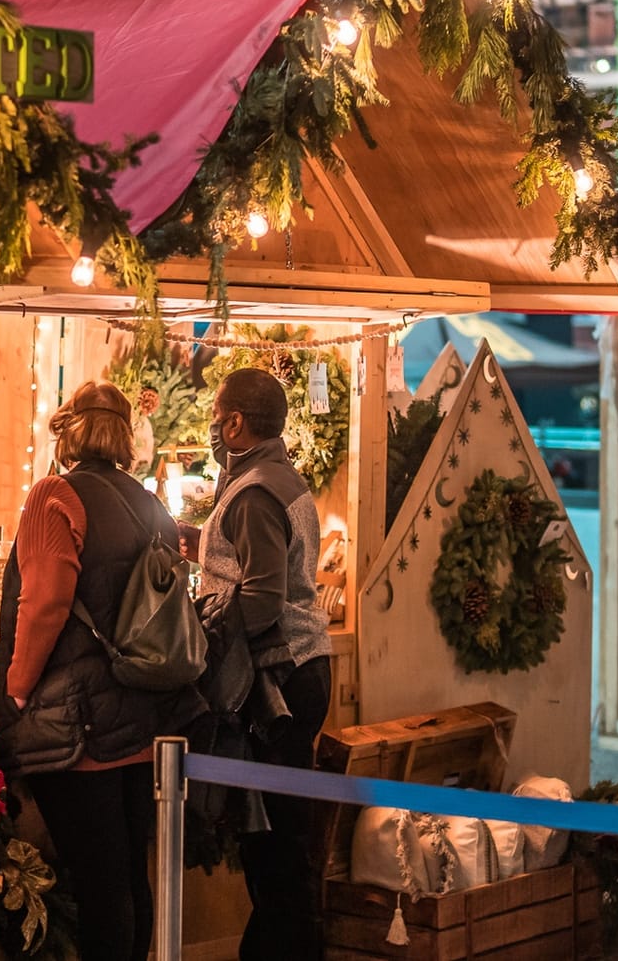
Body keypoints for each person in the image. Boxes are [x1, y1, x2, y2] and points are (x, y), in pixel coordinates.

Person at [0, 381, 202, 961]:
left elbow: (45, 605)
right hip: (140, 717)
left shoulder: (55, 496)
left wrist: (13, 694)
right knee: (129, 877)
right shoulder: (150, 503)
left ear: (66, 432)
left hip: (75, 728)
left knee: (99, 886)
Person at [201, 367, 334, 961]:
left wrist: (202, 639)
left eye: (215, 410)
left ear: (235, 422)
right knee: (279, 842)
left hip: (278, 682)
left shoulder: (253, 490)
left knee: (276, 848)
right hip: (301, 671)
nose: (210, 420)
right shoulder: (277, 478)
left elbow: (261, 597)